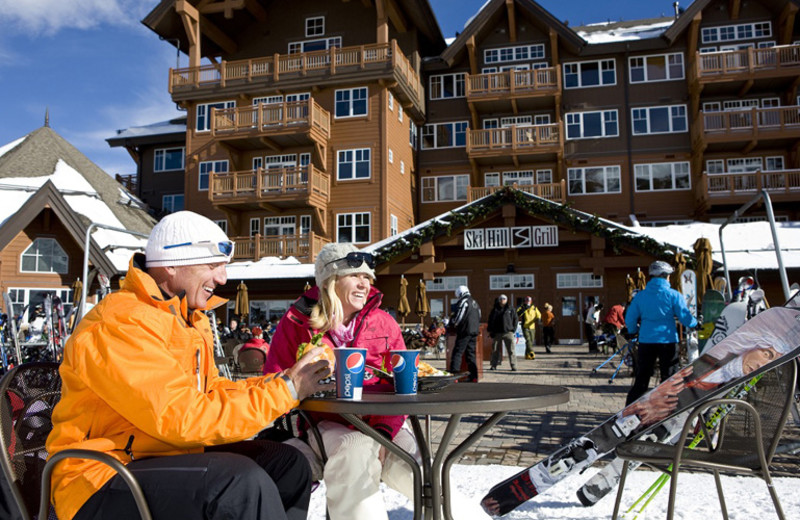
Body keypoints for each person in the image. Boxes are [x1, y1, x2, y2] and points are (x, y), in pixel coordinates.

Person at [46, 211, 333, 520]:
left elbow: (211, 392)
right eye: (213, 266)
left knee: (288, 464)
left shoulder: (184, 318)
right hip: (100, 477)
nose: (222, 279)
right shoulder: (122, 322)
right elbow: (181, 417)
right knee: (238, 485)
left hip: (160, 456)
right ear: (171, 264)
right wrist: (286, 391)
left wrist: (283, 381)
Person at [264, 243, 417, 520]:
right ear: (330, 281)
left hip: (385, 424)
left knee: (421, 467)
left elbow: (402, 384)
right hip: (325, 424)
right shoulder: (297, 323)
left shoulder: (385, 323)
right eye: (355, 276)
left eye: (368, 278)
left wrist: (383, 433)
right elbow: (273, 380)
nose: (364, 284)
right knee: (356, 449)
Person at [625, 260, 698, 405]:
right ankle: (667, 411)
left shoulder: (640, 296)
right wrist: (695, 323)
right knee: (669, 378)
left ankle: (628, 413)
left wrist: (633, 331)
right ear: (665, 276)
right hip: (667, 340)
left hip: (646, 340)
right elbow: (684, 316)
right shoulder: (673, 295)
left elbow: (630, 317)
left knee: (642, 378)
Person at [448, 285, 481, 382]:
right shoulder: (475, 302)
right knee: (470, 354)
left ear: (460, 293)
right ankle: (474, 376)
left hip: (465, 330)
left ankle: (454, 375)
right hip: (474, 331)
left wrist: (454, 323)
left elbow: (459, 316)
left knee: (457, 352)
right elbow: (479, 315)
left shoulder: (464, 302)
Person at [488, 294, 518, 371]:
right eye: (501, 299)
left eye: (504, 299)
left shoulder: (510, 309)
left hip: (508, 332)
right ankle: (493, 365)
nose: (502, 300)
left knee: (511, 350)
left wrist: (513, 329)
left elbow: (515, 319)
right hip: (497, 332)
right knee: (495, 350)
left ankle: (513, 365)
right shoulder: (495, 309)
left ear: (506, 300)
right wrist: (491, 330)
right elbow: (491, 320)